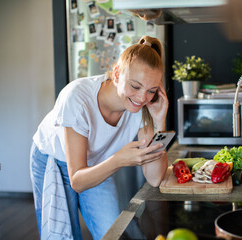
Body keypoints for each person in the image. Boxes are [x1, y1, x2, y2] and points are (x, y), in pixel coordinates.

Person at [30, 35, 169, 240]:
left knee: (112, 233)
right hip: (53, 160)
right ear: (117, 74)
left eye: (152, 90)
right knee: (63, 235)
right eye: (135, 86)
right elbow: (77, 179)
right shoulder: (77, 98)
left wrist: (160, 122)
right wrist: (119, 159)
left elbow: (155, 178)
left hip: (99, 163)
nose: (142, 98)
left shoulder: (145, 107)